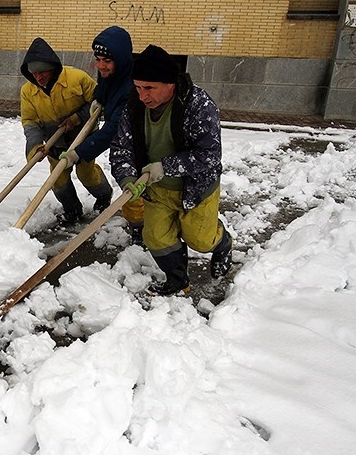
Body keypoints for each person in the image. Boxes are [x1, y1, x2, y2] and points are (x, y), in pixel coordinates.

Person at [109, 44, 233, 296]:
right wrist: (127, 177)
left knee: (200, 239)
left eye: (149, 88)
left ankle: (223, 244)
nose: (142, 95)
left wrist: (165, 166)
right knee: (156, 237)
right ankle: (178, 280)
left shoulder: (198, 104)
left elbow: (208, 155)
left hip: (196, 188)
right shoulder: (134, 106)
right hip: (157, 190)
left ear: (170, 83)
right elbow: (121, 146)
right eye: (138, 87)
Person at [20, 37, 113, 225]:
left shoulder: (77, 79)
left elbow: (98, 104)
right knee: (58, 179)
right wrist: (35, 146)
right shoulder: (28, 91)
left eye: (42, 72)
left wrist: (76, 118)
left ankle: (104, 195)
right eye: (34, 73)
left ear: (52, 67)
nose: (38, 77)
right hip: (56, 142)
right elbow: (30, 122)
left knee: (85, 173)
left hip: (84, 138)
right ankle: (72, 210)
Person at [70, 25, 145, 246]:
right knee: (129, 184)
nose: (101, 66)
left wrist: (78, 153)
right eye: (98, 59)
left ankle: (139, 229)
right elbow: (103, 88)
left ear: (120, 59)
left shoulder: (131, 87)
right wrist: (98, 100)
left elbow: (112, 130)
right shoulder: (111, 73)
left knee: (133, 188)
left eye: (107, 61)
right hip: (123, 139)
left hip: (137, 142)